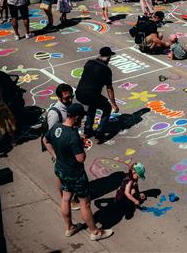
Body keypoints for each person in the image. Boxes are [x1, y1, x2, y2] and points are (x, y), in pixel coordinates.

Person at [43, 103, 113, 241]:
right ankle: (95, 232)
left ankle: (69, 228)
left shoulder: (57, 127)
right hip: (75, 173)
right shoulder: (72, 135)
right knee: (84, 203)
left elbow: (45, 140)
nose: (82, 121)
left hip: (61, 169)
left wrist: (55, 155)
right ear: (75, 117)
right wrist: (81, 146)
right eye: (81, 118)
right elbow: (80, 159)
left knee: (66, 198)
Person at [46, 84, 80, 210]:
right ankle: (66, 200)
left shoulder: (68, 106)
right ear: (59, 98)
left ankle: (71, 196)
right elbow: (50, 137)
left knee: (68, 175)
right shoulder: (55, 114)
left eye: (71, 96)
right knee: (62, 176)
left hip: (68, 147)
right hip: (61, 151)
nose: (70, 100)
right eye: (67, 98)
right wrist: (55, 155)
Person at [75, 47, 120, 140]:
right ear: (108, 57)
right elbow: (109, 88)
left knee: (93, 105)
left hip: (79, 92)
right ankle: (100, 131)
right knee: (107, 107)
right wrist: (114, 104)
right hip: (91, 95)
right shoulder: (106, 69)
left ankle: (87, 130)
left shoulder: (89, 62)